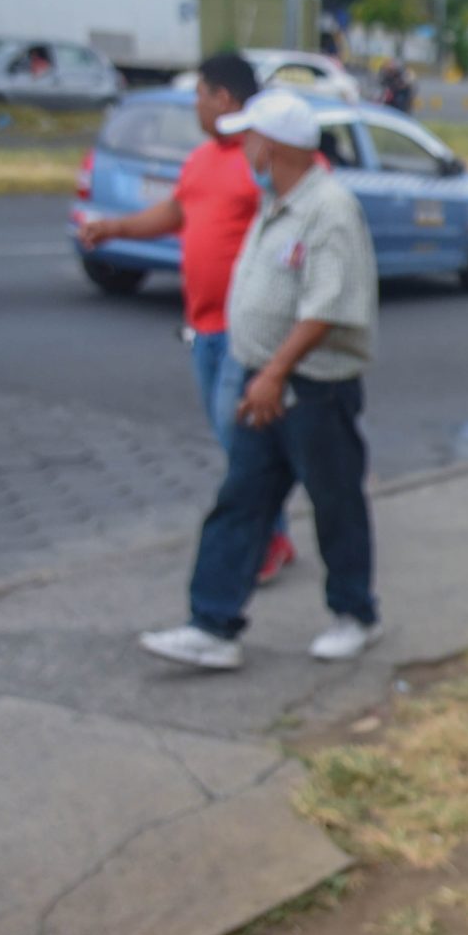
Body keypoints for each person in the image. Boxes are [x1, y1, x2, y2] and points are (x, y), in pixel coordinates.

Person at [137, 90, 382, 672]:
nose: (243, 149)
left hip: (311, 389)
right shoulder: (278, 204)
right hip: (266, 383)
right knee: (241, 501)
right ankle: (212, 625)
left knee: (335, 503)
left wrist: (274, 373)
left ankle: (355, 614)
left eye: (249, 140)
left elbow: (325, 307)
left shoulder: (328, 210)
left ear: (272, 148)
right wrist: (260, 374)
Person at [81, 53, 297, 584]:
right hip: (202, 328)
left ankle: (266, 539)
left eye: (200, 94)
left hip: (247, 329)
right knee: (234, 443)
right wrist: (115, 230)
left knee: (239, 439)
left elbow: (306, 209)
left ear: (224, 98)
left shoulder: (263, 153)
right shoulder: (201, 159)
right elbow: (179, 212)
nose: (196, 104)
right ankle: (274, 531)